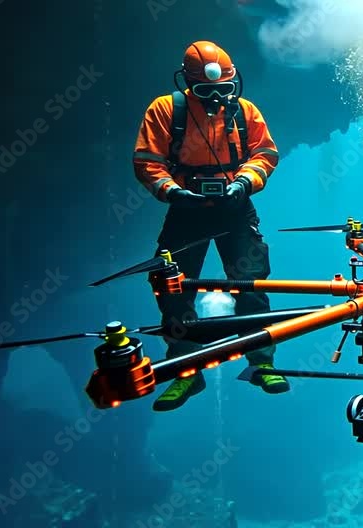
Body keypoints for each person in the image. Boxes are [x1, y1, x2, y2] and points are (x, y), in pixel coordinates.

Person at [133, 40, 290, 410]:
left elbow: (265, 154)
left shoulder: (245, 111)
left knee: (250, 281)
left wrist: (243, 183)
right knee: (172, 286)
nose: (216, 98)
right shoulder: (166, 110)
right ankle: (187, 370)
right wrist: (173, 192)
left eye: (224, 90)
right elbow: (147, 160)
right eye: (206, 91)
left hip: (235, 206)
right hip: (186, 209)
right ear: (187, 84)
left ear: (235, 83)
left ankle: (261, 361)